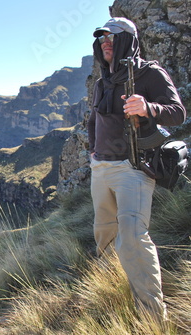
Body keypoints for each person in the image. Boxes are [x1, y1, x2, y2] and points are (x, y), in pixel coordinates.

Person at [88, 17, 186, 322]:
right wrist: (92, 150)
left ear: (127, 40)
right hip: (100, 168)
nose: (106, 42)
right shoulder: (103, 80)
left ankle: (153, 318)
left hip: (133, 169)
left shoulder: (149, 73)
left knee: (132, 237)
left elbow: (178, 113)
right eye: (102, 38)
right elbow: (95, 118)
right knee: (104, 233)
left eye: (112, 37)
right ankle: (109, 290)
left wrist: (148, 108)